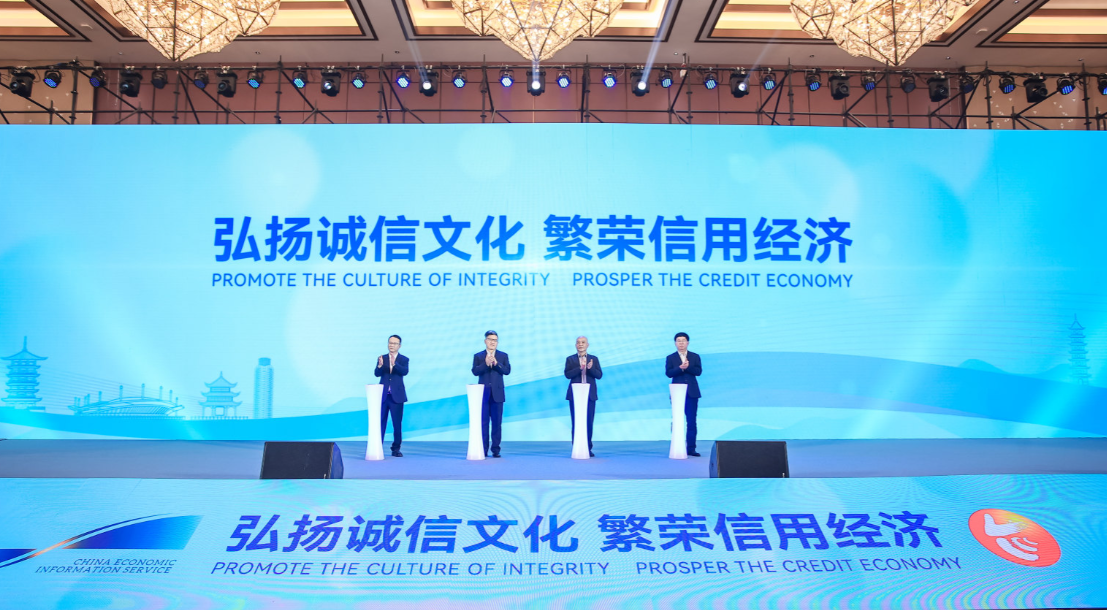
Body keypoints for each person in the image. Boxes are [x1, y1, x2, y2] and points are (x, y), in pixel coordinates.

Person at [472, 330, 510, 457]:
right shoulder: (478, 356)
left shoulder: (503, 356)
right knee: (483, 423)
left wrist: (496, 364)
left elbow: (507, 371)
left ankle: (496, 449)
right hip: (483, 395)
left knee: (497, 423)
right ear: (485, 341)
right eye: (490, 340)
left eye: (495, 340)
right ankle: (483, 449)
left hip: (498, 395)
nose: (493, 342)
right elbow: (475, 371)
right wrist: (485, 364)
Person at [665, 331, 702, 456]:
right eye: (678, 341)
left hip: (692, 393)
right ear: (675, 343)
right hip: (677, 394)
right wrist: (680, 368)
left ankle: (691, 448)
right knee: (677, 420)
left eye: (683, 341)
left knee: (691, 421)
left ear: (688, 343)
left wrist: (688, 367)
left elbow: (698, 372)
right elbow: (669, 373)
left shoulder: (695, 356)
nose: (681, 343)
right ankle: (677, 445)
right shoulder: (671, 357)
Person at [564, 336, 602, 457]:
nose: (580, 344)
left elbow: (599, 375)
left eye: (583, 342)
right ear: (576, 345)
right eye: (578, 342)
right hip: (575, 396)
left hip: (589, 395)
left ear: (587, 345)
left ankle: (587, 448)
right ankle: (576, 447)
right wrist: (579, 368)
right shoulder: (570, 359)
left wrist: (590, 368)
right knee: (576, 422)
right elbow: (567, 375)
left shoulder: (594, 359)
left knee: (588, 422)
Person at [374, 334, 409, 457]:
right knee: (380, 423)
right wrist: (379, 366)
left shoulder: (404, 359)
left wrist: (395, 364)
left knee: (397, 424)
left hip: (397, 397)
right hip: (383, 396)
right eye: (390, 343)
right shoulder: (382, 358)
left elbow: (404, 371)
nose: (391, 345)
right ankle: (378, 447)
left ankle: (396, 449)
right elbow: (377, 374)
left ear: (399, 346)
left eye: (394, 343)